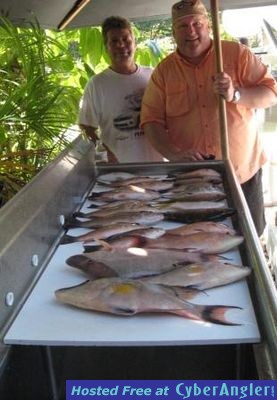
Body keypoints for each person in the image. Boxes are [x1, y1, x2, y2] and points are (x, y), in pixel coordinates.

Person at [140, 0, 277, 236]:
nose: (191, 31)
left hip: (242, 174)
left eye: (197, 23)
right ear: (173, 33)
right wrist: (173, 154)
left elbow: (271, 94)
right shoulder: (163, 72)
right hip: (193, 179)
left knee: (249, 237)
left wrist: (236, 94)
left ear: (208, 26)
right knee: (199, 242)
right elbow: (150, 121)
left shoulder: (237, 54)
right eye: (182, 26)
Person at [79, 16, 163, 163]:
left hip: (157, 166)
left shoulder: (153, 75)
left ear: (134, 43)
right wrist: (103, 151)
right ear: (106, 47)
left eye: (126, 40)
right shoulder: (96, 84)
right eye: (114, 41)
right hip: (119, 171)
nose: (121, 46)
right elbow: (86, 126)